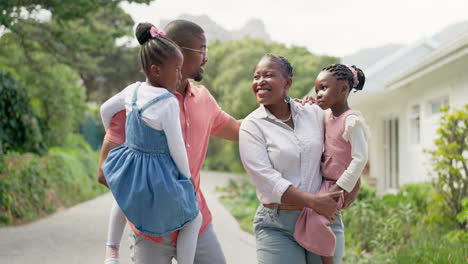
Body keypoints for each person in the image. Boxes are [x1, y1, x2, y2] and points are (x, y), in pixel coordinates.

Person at [98, 19, 240, 264]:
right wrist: (153, 202)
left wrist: (289, 111)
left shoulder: (204, 99)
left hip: (195, 221)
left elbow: (240, 130)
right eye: (202, 49)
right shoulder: (135, 101)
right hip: (150, 230)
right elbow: (105, 172)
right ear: (179, 52)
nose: (206, 57)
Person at [239, 54, 344, 264]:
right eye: (256, 76)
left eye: (268, 75)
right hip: (277, 225)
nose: (260, 81)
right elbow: (268, 181)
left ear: (288, 82)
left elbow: (341, 141)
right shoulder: (252, 126)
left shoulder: (313, 113)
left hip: (322, 219)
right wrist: (314, 202)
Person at [294, 64, 369, 264]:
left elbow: (360, 158)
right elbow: (311, 117)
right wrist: (307, 103)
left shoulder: (352, 121)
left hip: (340, 185)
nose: (318, 94)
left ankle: (328, 260)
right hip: (326, 182)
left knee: (316, 218)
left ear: (344, 89)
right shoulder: (327, 115)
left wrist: (339, 187)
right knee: (308, 215)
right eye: (317, 89)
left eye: (324, 88)